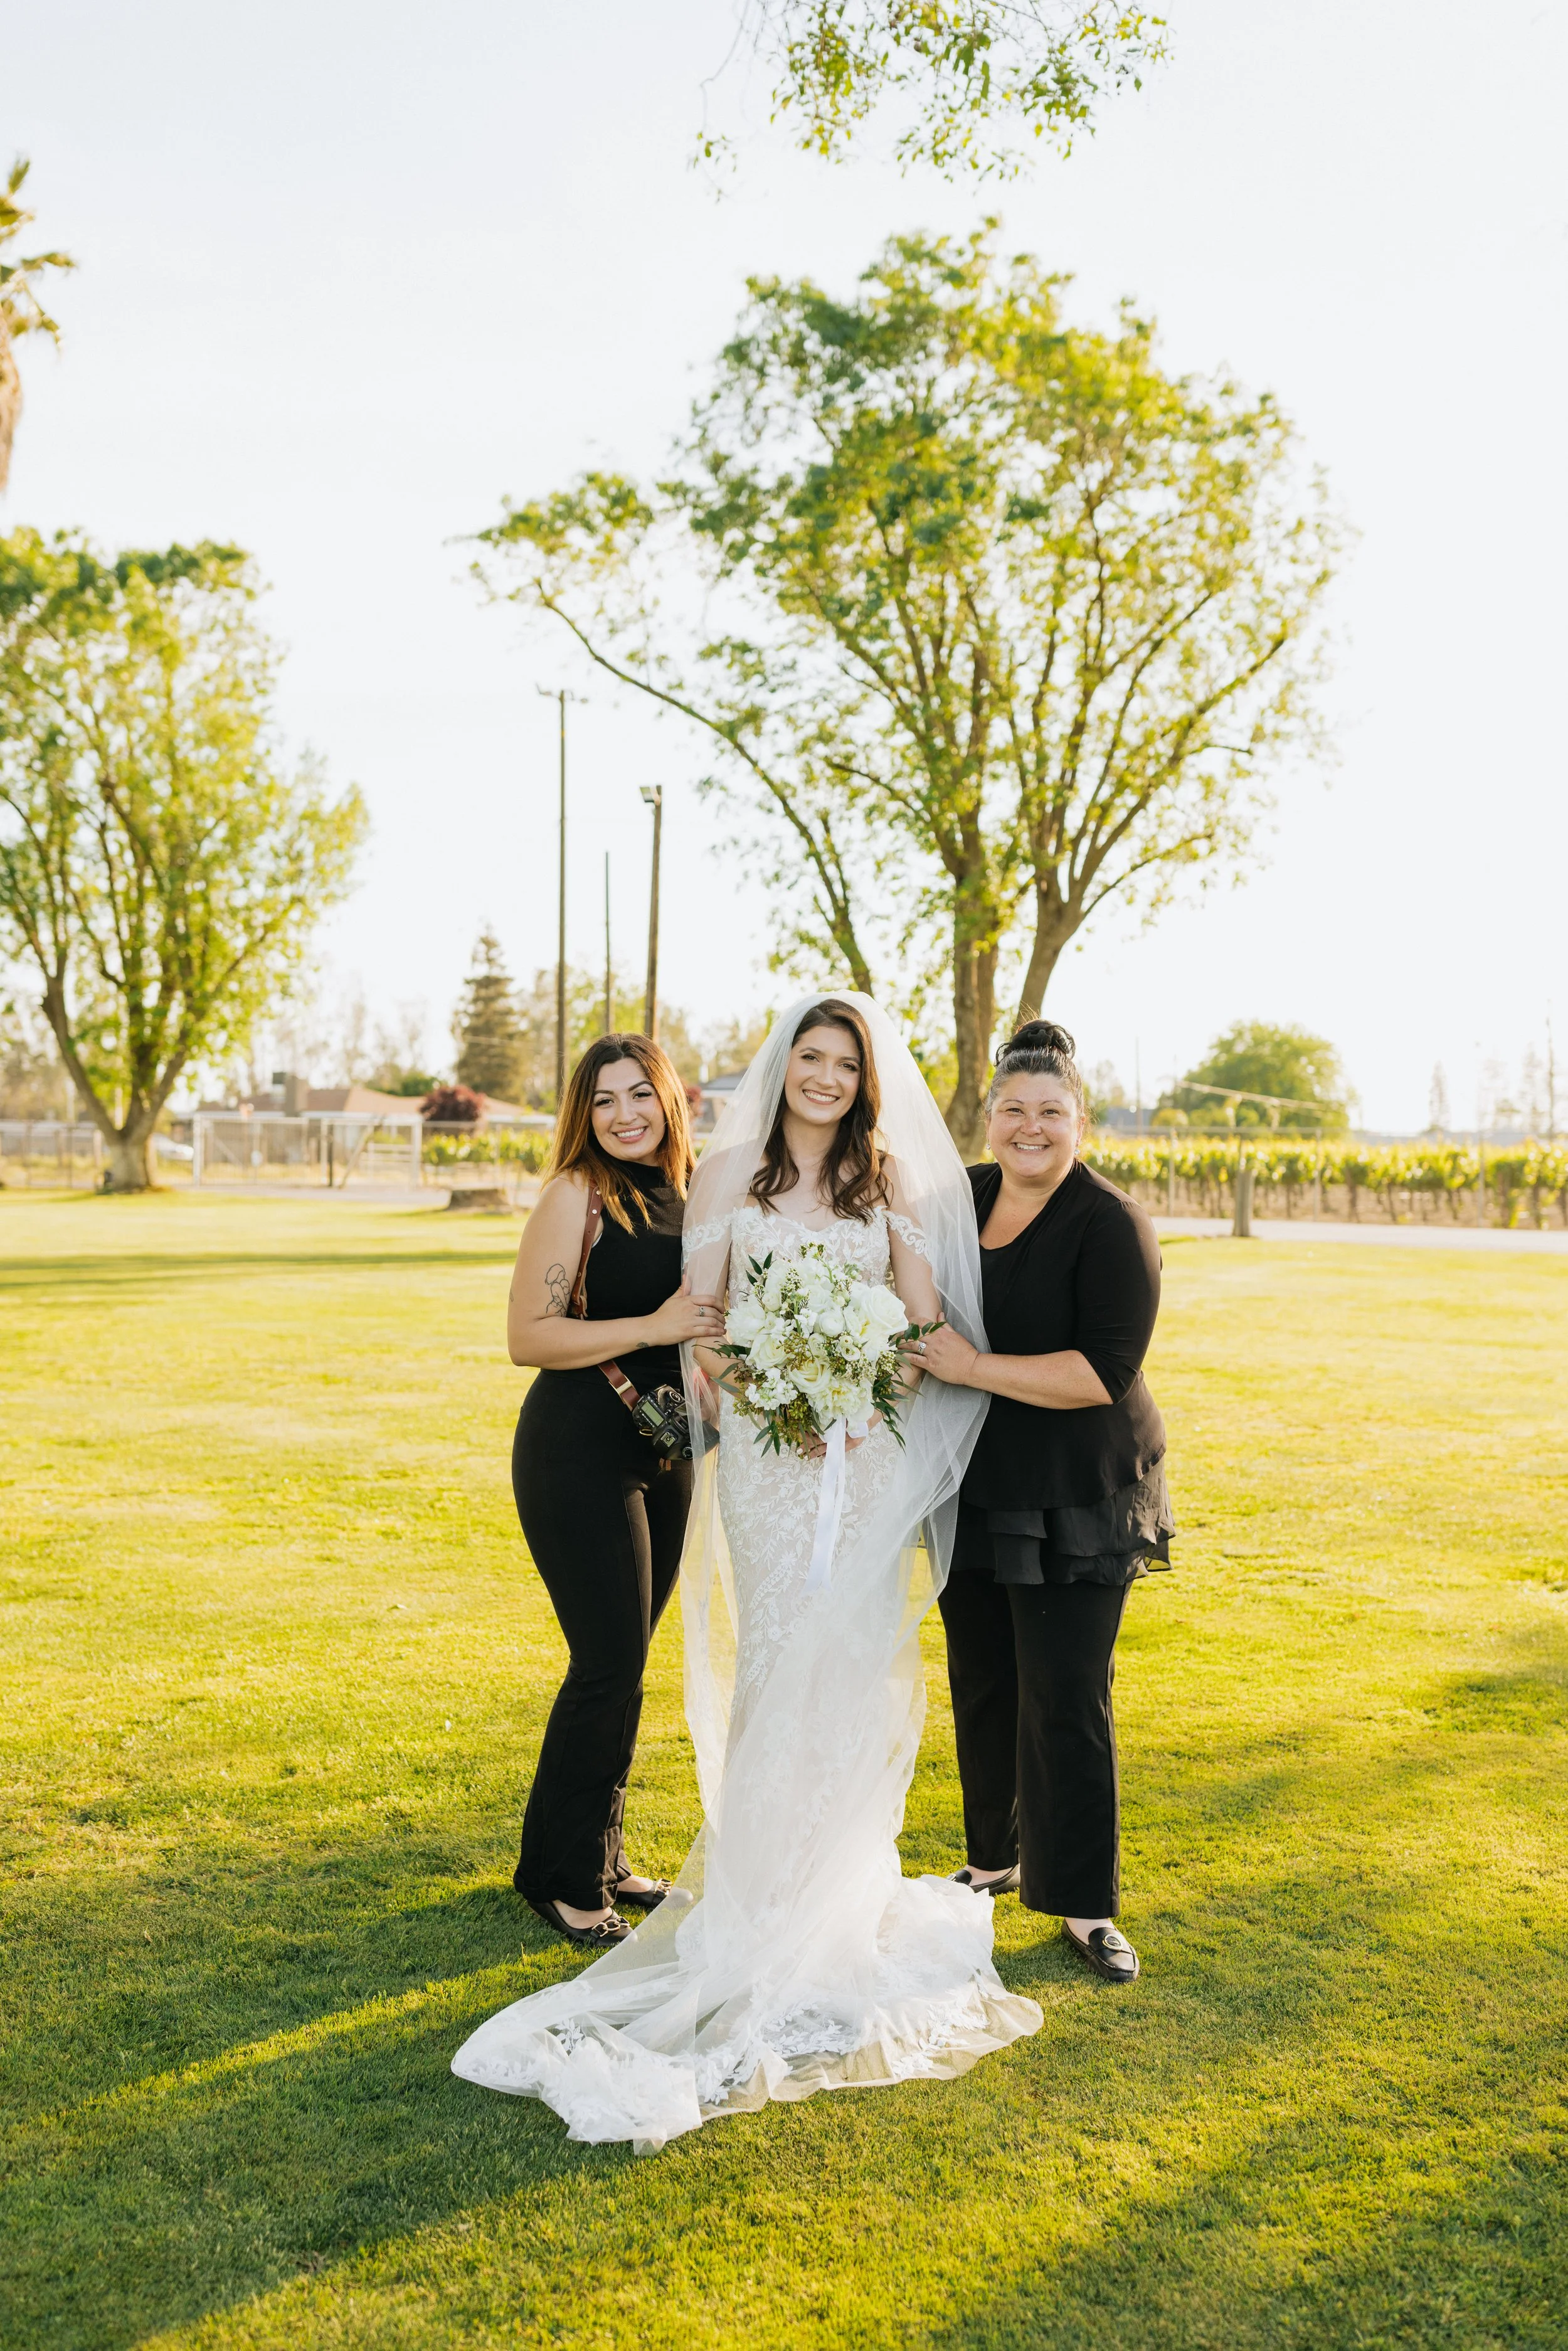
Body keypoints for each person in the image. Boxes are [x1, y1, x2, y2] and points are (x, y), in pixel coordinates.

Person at [453, 994, 1041, 2147]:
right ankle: (758, 1897)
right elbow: (705, 1323)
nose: (824, 1077)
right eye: (809, 1057)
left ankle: (841, 1894)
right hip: (772, 1461)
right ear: (785, 1066)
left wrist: (861, 1390)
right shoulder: (728, 1178)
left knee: (855, 1665)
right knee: (776, 1661)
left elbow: (919, 1325)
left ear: (866, 1080)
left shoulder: (891, 1180)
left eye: (844, 1064)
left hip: (862, 1457)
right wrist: (777, 1394)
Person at [912, 1021, 1173, 1986]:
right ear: (988, 1119)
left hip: (1077, 1491)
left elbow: (1104, 1372)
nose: (1031, 1127)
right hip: (977, 1483)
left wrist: (970, 1367)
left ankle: (1084, 1905)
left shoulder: (1111, 1224)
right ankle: (994, 1860)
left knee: (1065, 1695)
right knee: (984, 1679)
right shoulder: (960, 1200)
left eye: (1050, 1112)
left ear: (1080, 1123)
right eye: (1013, 1110)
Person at [502, 1032, 723, 1949]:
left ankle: (595, 1851)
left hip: (668, 1449)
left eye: (640, 1094)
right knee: (607, 1662)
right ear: (582, 1115)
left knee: (626, 1660)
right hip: (577, 1450)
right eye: (603, 1101)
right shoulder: (576, 1193)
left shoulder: (696, 1192)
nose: (625, 1115)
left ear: (671, 1099)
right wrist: (653, 1325)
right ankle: (564, 1883)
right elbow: (528, 1335)